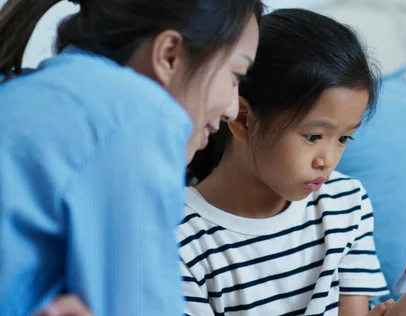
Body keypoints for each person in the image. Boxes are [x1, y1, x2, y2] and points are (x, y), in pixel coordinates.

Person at [181, 9, 406, 316]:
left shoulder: (345, 203)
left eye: (344, 138)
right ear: (244, 120)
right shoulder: (181, 238)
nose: (327, 160)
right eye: (314, 136)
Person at [0, 0, 261, 315]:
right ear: (169, 55)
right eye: (236, 75)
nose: (233, 109)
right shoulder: (135, 115)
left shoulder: (44, 90)